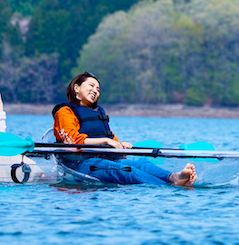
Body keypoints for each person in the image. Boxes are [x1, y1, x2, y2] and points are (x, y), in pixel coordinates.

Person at [48, 73, 199, 187]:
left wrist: (119, 144)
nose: (95, 90)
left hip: (106, 158)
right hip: (82, 164)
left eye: (98, 89)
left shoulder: (97, 112)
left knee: (141, 164)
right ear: (76, 88)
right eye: (91, 86)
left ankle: (174, 177)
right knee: (128, 170)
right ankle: (170, 187)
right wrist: (107, 141)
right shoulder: (65, 112)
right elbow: (72, 141)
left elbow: (108, 135)